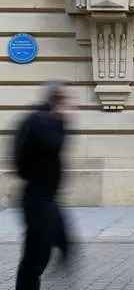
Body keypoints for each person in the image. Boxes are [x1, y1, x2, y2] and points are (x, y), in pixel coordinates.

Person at [14, 82, 72, 290]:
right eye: (67, 101)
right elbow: (53, 144)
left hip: (46, 196)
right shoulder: (39, 121)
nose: (71, 107)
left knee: (55, 242)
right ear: (57, 100)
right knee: (35, 254)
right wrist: (61, 121)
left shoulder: (45, 120)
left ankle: (62, 254)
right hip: (37, 196)